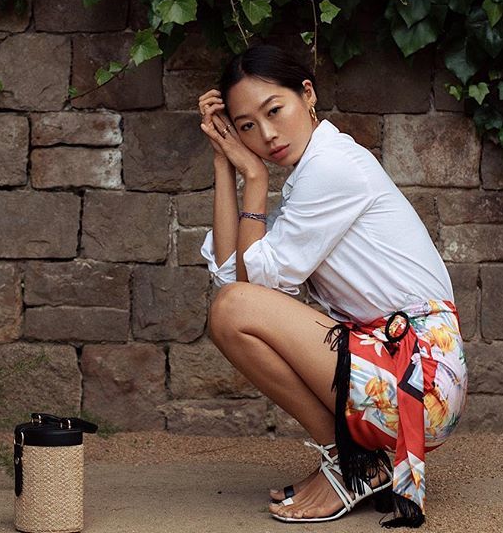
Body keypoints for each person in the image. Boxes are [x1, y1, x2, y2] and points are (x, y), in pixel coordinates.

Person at [197, 43, 467, 528]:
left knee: (232, 309)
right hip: (389, 360)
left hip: (420, 376)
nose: (267, 134)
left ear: (308, 94)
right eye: (246, 127)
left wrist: (253, 177)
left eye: (274, 111)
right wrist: (224, 164)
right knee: (231, 306)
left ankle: (353, 463)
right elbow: (233, 273)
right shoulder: (308, 175)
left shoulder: (333, 166)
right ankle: (355, 461)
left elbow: (251, 287)